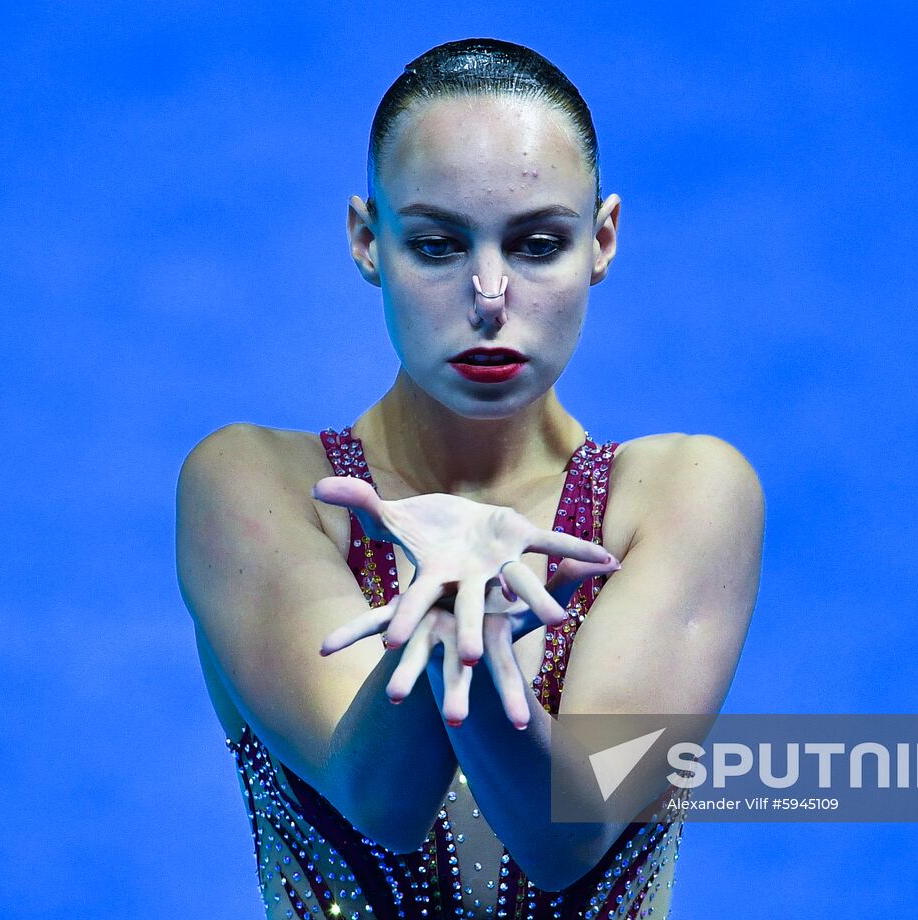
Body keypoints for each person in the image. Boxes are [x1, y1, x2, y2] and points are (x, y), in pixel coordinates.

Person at [175, 37, 764, 920]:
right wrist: (454, 605)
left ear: (601, 240)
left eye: (535, 243)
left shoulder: (683, 496)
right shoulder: (256, 485)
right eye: (438, 244)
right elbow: (377, 798)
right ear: (368, 240)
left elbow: (567, 838)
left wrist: (474, 615)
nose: (490, 293)